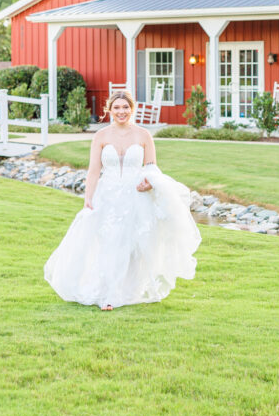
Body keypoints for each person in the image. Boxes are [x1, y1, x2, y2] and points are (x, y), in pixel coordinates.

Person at [44, 90, 201, 310]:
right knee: (108, 242)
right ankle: (108, 293)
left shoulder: (144, 135)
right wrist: (88, 199)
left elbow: (152, 167)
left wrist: (149, 183)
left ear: (132, 109)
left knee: (132, 245)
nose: (121, 112)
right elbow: (93, 171)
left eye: (125, 107)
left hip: (135, 196)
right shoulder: (101, 136)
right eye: (117, 108)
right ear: (109, 109)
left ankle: (126, 290)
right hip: (107, 196)